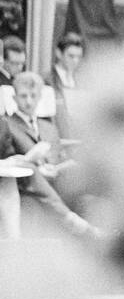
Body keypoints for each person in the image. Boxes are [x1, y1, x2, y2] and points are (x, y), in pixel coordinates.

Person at [1, 71, 95, 237]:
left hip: (57, 180)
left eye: (33, 96)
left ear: (39, 97)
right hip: (29, 184)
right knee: (29, 170)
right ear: (14, 98)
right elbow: (10, 162)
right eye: (23, 96)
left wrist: (60, 167)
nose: (29, 101)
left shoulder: (49, 127)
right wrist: (34, 159)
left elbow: (60, 157)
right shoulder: (7, 125)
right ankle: (72, 220)